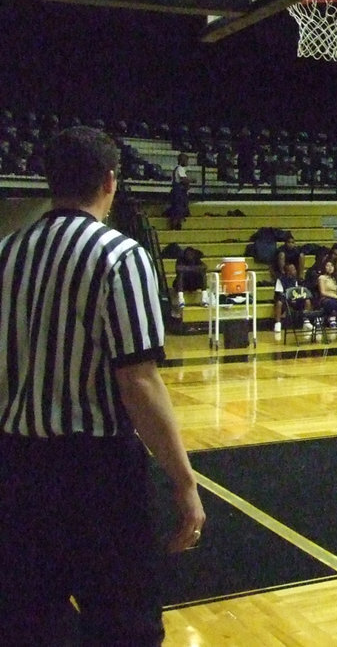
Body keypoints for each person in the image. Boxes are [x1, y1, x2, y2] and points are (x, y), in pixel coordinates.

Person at [0, 126, 205, 644]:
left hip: (17, 465)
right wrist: (183, 482)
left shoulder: (7, 252)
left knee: (28, 623)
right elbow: (139, 382)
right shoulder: (120, 256)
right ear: (110, 182)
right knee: (124, 625)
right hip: (96, 473)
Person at [272, 262, 312, 334]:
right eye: (293, 269)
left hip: (294, 299)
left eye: (295, 269)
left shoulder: (295, 279)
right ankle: (278, 323)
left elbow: (297, 291)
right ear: (288, 272)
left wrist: (296, 298)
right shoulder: (280, 280)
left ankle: (306, 321)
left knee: (307, 301)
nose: (295, 271)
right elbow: (279, 293)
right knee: (279, 303)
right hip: (284, 300)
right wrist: (289, 297)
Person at [165, 151, 190, 230]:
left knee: (178, 209)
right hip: (178, 192)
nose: (187, 162)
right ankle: (175, 225)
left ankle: (176, 225)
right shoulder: (180, 169)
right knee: (178, 209)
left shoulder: (178, 169)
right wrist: (191, 180)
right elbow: (184, 180)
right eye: (186, 160)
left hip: (177, 191)